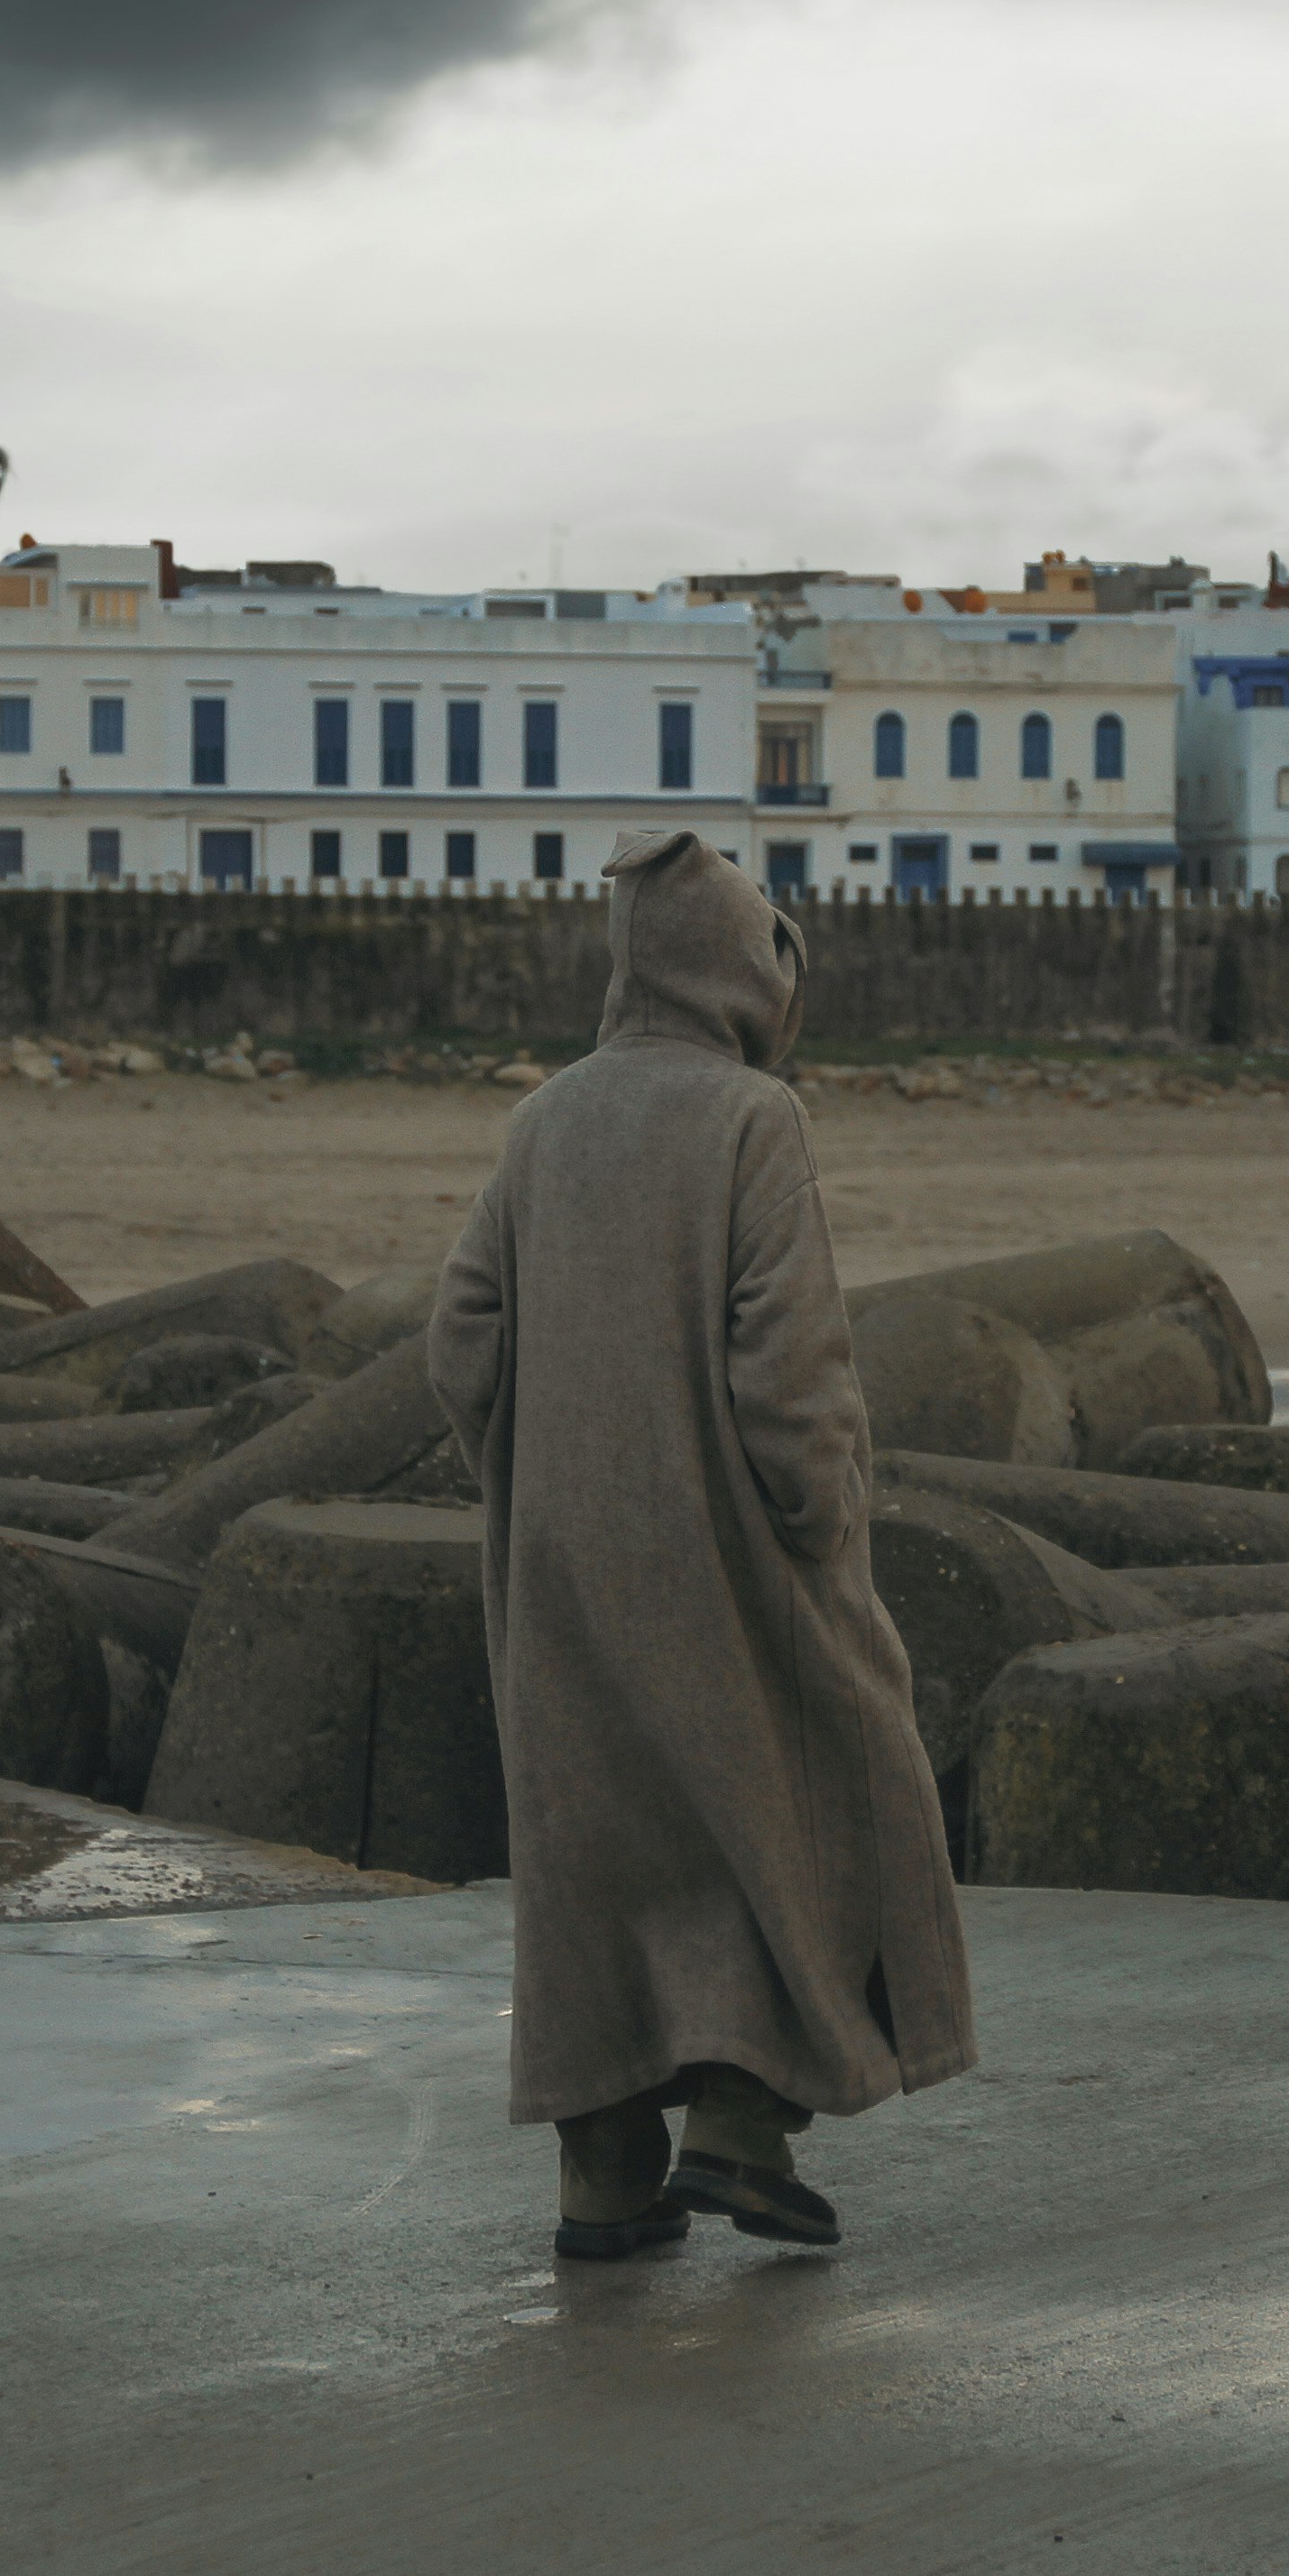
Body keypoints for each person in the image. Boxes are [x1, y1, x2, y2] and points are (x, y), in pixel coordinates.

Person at [425, 828, 975, 2260]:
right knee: (819, 1785)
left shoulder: (540, 1124)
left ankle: (602, 2175)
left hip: (556, 1560)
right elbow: (792, 1377)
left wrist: (533, 1476)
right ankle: (741, 2121)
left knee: (596, 1845)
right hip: (728, 1553)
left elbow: (462, 1334)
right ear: (740, 971)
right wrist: (823, 1528)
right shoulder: (751, 1122)